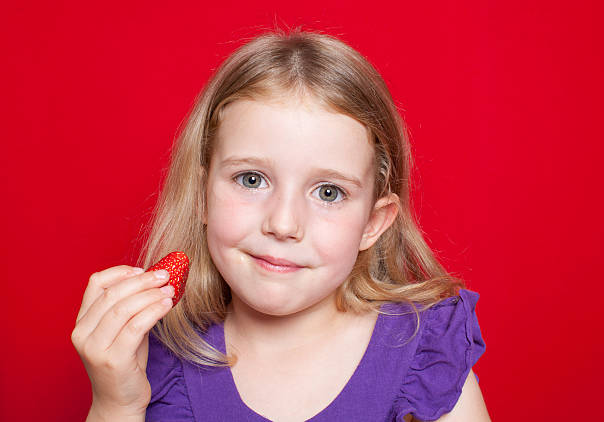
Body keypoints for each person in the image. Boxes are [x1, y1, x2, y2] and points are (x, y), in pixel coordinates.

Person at [72, 27, 490, 422]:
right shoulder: (151, 360)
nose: (284, 224)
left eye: (328, 192)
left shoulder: (425, 354)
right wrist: (115, 405)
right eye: (251, 180)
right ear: (201, 196)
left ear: (374, 223)